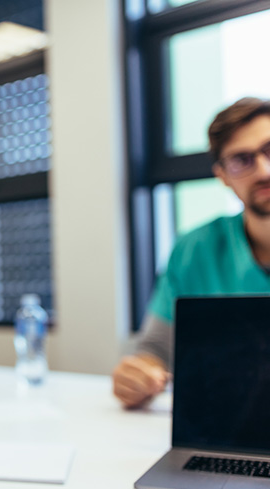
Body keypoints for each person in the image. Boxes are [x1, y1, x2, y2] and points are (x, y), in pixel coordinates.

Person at [113, 97, 270, 409]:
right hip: (231, 428)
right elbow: (157, 348)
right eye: (242, 159)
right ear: (223, 176)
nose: (263, 170)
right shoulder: (194, 250)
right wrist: (140, 373)